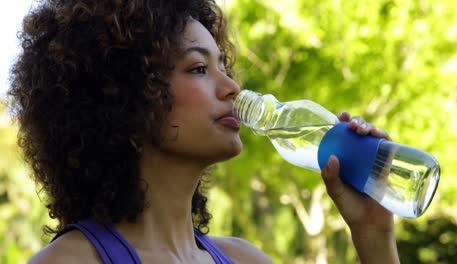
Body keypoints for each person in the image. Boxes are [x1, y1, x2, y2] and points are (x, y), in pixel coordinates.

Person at [8, 0, 399, 263]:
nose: (231, 88)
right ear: (123, 95)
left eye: (222, 67)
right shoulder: (70, 261)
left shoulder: (247, 259)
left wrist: (374, 236)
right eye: (198, 68)